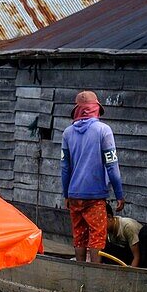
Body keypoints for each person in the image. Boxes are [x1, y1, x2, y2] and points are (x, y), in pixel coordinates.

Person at [61, 91, 125, 263]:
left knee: (79, 236)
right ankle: (95, 275)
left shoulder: (67, 133)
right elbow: (112, 165)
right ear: (96, 108)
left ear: (77, 110)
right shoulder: (104, 131)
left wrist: (66, 194)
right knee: (97, 236)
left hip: (74, 195)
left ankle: (80, 270)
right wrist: (119, 194)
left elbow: (65, 167)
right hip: (95, 196)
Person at [104, 202, 147, 268]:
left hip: (142, 255)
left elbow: (137, 257)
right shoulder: (108, 231)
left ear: (109, 217)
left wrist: (131, 274)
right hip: (129, 254)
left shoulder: (127, 226)